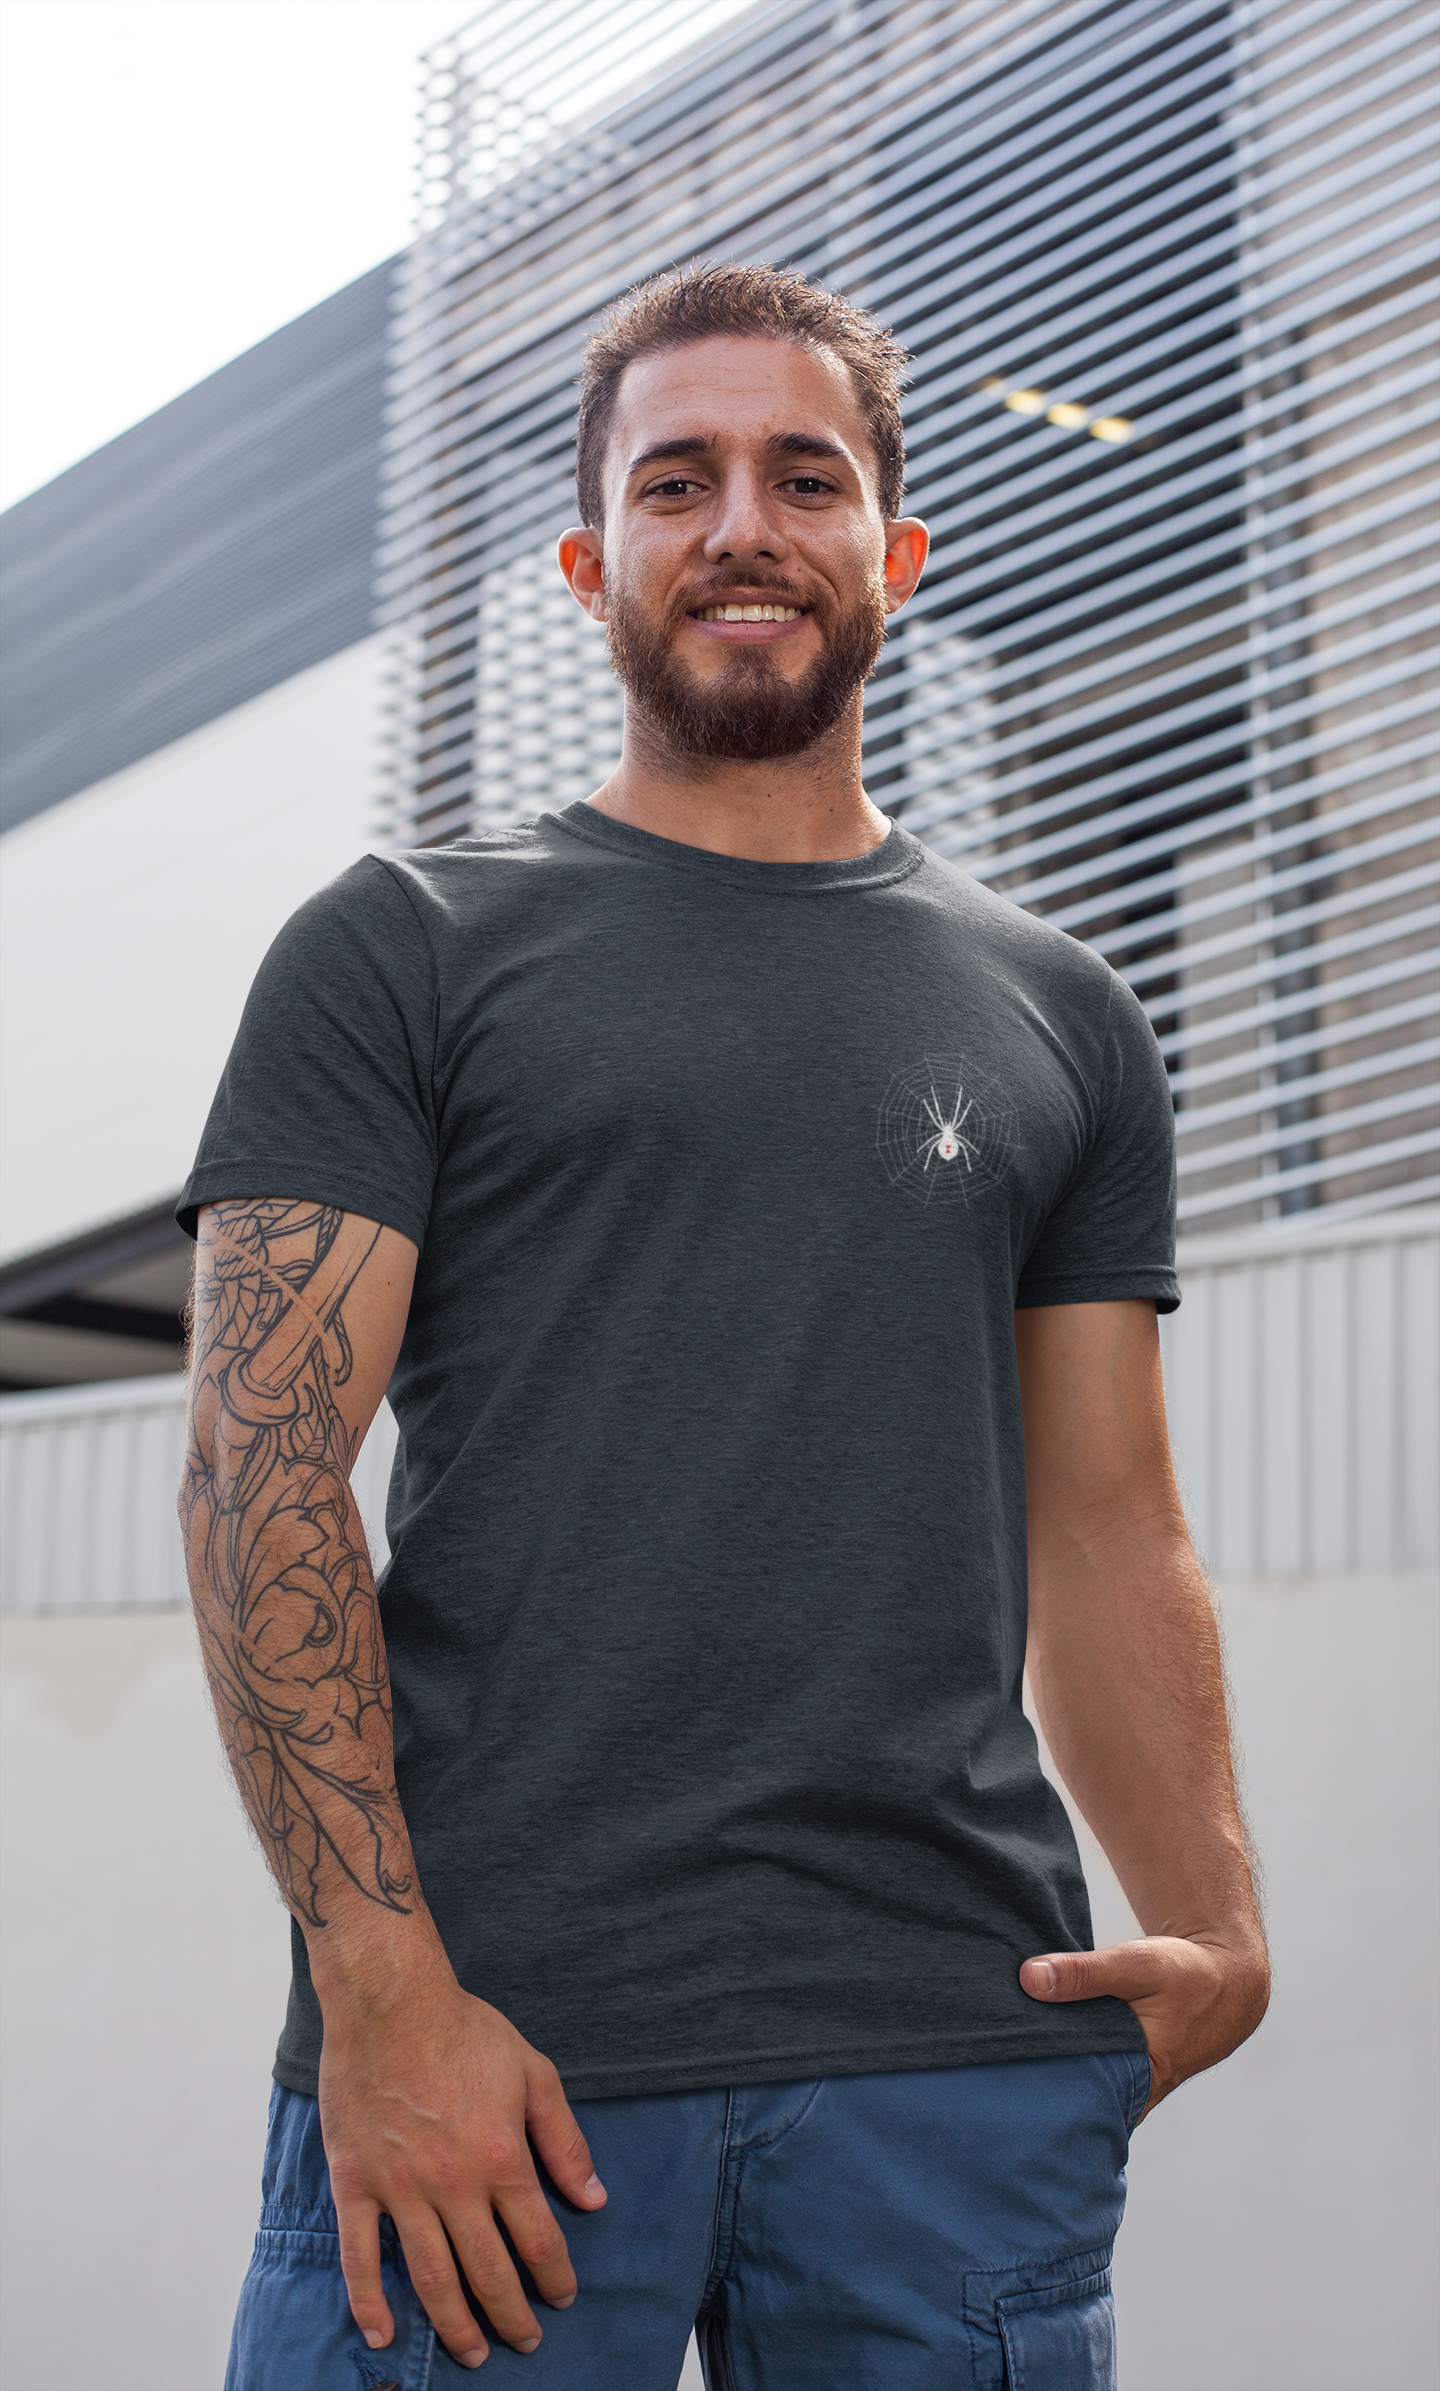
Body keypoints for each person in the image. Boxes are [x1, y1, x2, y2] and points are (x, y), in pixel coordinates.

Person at [179, 263, 1269, 2391]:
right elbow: (262, 1468)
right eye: (674, 481)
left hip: (948, 2063)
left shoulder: (1062, 1010)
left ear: (897, 551)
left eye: (806, 474)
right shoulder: (404, 947)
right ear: (594, 563)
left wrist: (1218, 1924)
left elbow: (1110, 1520)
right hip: (486, 2067)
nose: (742, 525)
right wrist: (385, 1990)